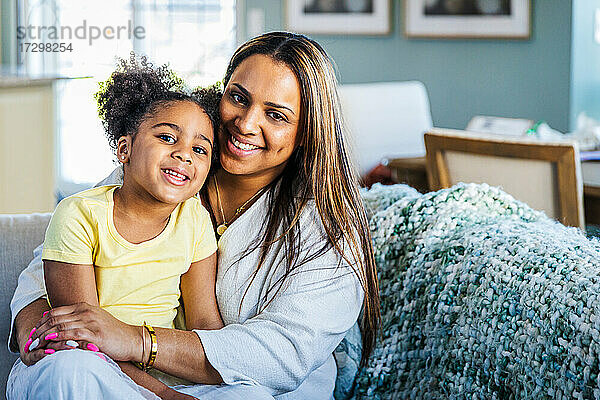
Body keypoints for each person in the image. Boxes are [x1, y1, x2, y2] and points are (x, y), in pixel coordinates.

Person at [8, 32, 380, 400]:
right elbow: (47, 273)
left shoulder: (329, 228)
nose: (246, 124)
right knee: (69, 370)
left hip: (237, 388)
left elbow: (281, 355)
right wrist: (42, 332)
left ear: (306, 133)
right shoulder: (161, 167)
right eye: (238, 97)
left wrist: (136, 340)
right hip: (102, 372)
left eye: (276, 115)